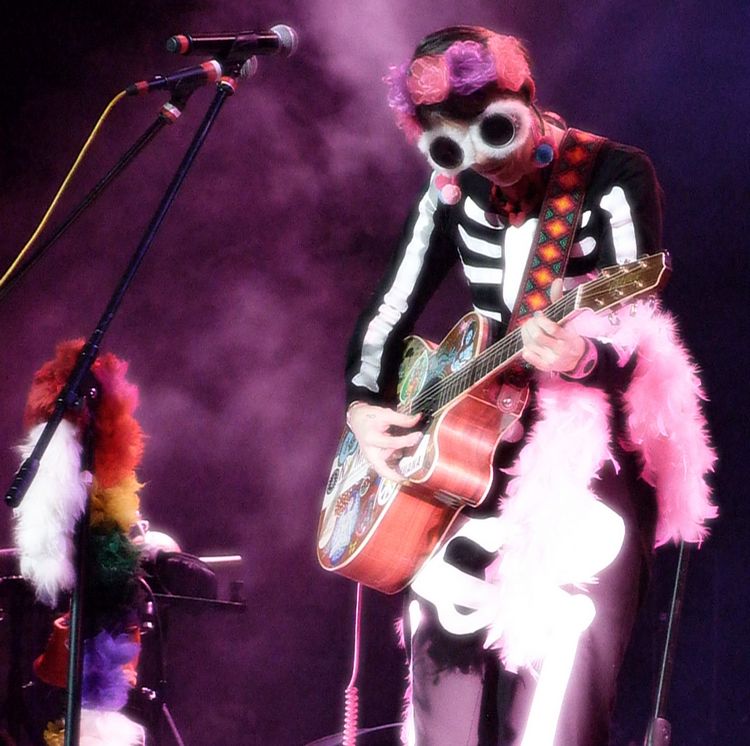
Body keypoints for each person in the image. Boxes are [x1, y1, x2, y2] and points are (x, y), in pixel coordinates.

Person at [343, 26, 716, 746]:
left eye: (494, 131)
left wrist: (582, 357)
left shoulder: (611, 174)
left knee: (555, 706)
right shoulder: (450, 192)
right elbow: (389, 311)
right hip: (465, 456)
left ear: (528, 99)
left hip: (585, 457)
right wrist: (364, 407)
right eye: (453, 145)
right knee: (440, 708)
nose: (482, 160)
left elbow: (637, 327)